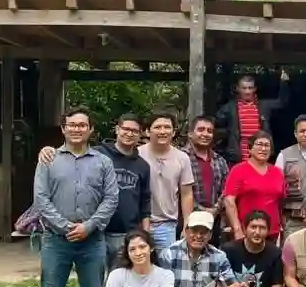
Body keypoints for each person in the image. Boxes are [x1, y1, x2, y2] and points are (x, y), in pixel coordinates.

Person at [27, 107, 120, 287]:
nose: (77, 129)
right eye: (71, 124)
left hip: (92, 241)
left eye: (82, 125)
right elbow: (41, 199)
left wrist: (89, 226)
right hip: (57, 240)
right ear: (63, 128)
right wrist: (66, 227)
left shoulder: (102, 162)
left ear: (90, 129)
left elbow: (111, 198)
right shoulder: (48, 159)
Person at [35, 113, 151, 272]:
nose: (129, 133)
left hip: (121, 231)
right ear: (117, 130)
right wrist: (47, 150)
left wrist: (144, 231)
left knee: (118, 281)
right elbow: (73, 152)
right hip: (97, 231)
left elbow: (143, 200)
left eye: (134, 131)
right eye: (125, 129)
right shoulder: (98, 154)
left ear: (141, 134)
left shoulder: (142, 165)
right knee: (89, 284)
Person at [140, 111, 195, 248]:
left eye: (167, 127)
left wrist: (187, 224)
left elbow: (186, 194)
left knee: (167, 267)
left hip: (167, 224)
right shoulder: (137, 155)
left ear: (174, 132)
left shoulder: (182, 158)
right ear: (147, 132)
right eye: (158, 127)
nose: (163, 131)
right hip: (139, 223)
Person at [223, 130, 287, 241]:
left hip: (272, 232)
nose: (263, 149)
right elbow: (229, 201)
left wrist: (283, 229)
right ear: (250, 148)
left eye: (267, 145)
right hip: (246, 232)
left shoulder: (278, 172)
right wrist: (237, 229)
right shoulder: (238, 170)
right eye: (259, 144)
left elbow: (281, 204)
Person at [215, 70, 291, 163]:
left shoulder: (263, 106)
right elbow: (215, 123)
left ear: (255, 89)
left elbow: (281, 103)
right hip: (238, 158)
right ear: (238, 89)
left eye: (250, 88)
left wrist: (284, 83)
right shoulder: (230, 107)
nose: (247, 91)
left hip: (260, 156)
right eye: (244, 88)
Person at [184, 115, 230, 236]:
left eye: (209, 131)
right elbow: (178, 191)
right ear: (190, 134)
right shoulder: (180, 158)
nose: (205, 134)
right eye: (201, 130)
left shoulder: (220, 161)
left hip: (213, 222)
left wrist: (214, 210)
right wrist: (201, 210)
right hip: (187, 221)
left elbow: (226, 191)